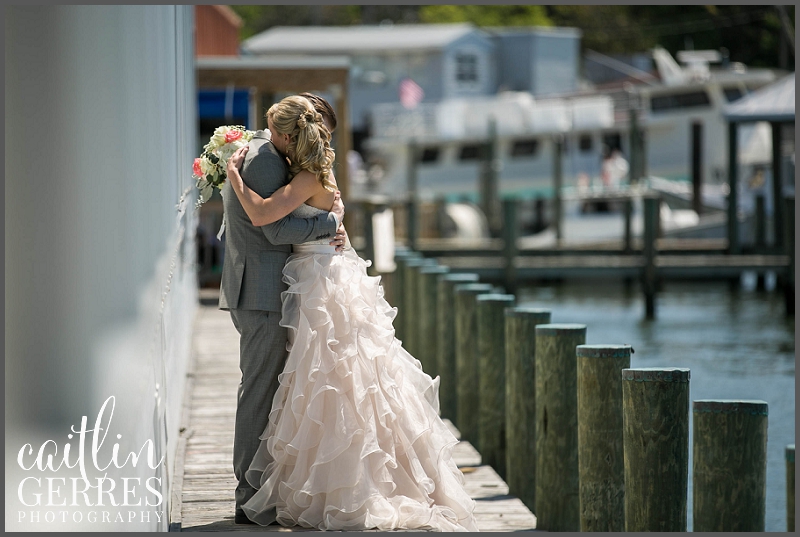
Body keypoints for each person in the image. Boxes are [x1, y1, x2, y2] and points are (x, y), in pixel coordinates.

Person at [225, 95, 479, 531]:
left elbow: (269, 219)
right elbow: (272, 224)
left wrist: (235, 176)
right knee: (310, 382)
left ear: (289, 134)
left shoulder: (302, 174)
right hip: (303, 280)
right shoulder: (291, 167)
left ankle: (301, 485)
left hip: (315, 280)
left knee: (323, 380)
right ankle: (270, 488)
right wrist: (332, 223)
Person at [218, 93, 347, 527]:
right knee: (259, 390)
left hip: (271, 288)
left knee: (287, 389)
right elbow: (273, 228)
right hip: (263, 292)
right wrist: (331, 222)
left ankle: (267, 488)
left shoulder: (264, 152)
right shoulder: (267, 161)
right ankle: (248, 496)